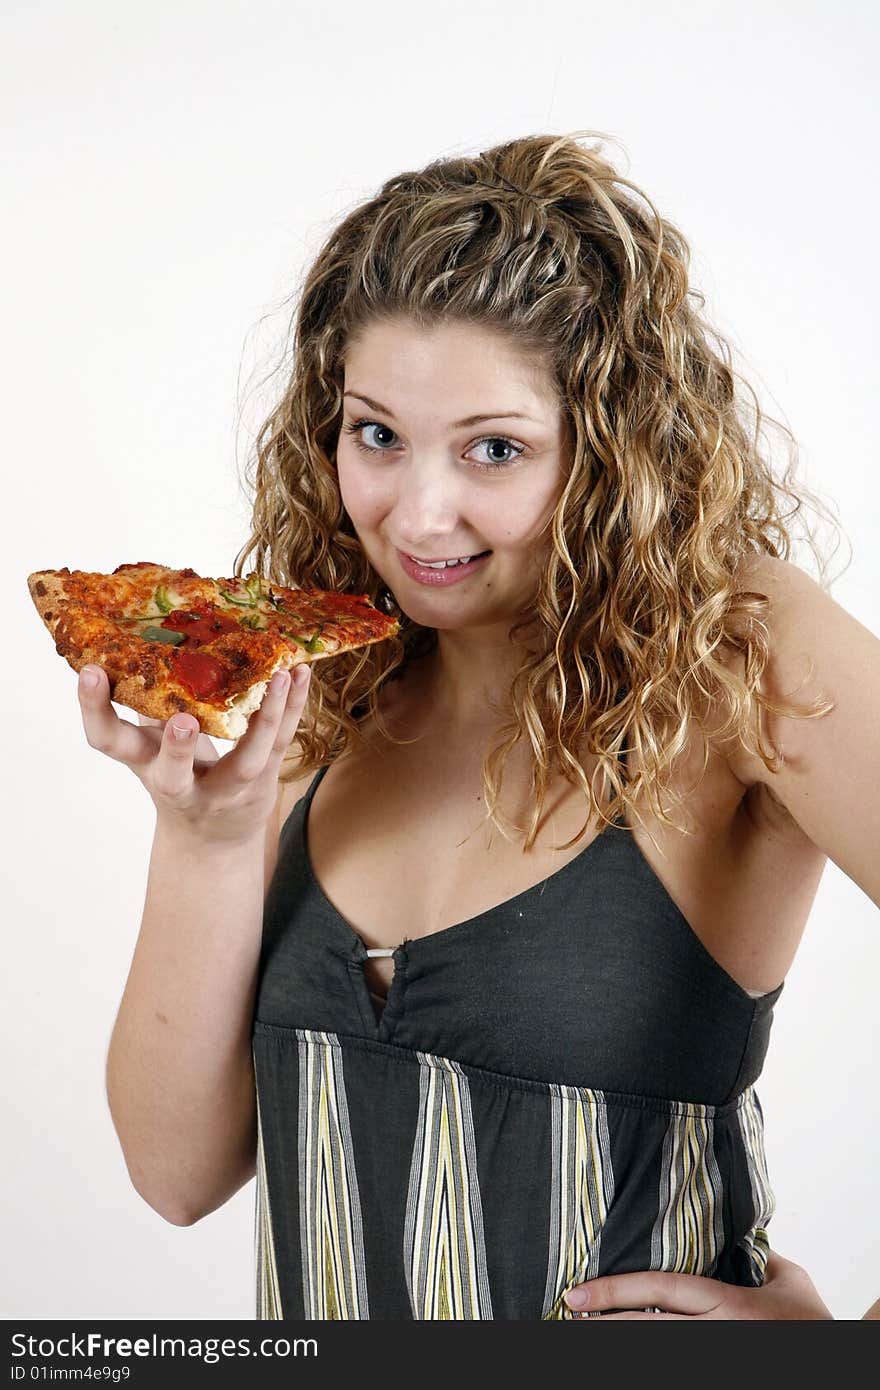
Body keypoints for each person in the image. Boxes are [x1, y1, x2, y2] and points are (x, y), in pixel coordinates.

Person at [82, 130, 879, 1320]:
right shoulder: (321, 684)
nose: (418, 511)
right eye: (376, 435)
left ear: (616, 450)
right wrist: (204, 835)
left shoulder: (740, 648)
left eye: (494, 448)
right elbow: (176, 1174)